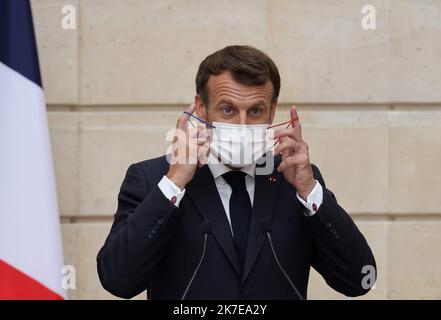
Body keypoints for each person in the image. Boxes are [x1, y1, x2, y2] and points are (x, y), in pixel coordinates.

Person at [97, 45, 376, 299]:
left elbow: (359, 280)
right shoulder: (152, 178)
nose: (242, 125)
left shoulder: (294, 181)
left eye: (255, 111)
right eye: (228, 109)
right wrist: (174, 183)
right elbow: (118, 280)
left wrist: (310, 192)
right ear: (202, 109)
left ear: (272, 111)